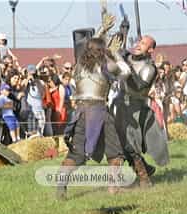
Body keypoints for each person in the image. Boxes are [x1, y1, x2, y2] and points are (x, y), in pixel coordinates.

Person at [57, 37, 127, 200]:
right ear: (102, 50)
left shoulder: (78, 66)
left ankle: (61, 187)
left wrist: (102, 32)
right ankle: (113, 187)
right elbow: (126, 73)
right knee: (115, 152)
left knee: (77, 154)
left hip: (81, 112)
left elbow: (88, 49)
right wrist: (116, 54)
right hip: (100, 111)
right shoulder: (107, 65)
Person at [110, 35, 170, 187]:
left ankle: (143, 179)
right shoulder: (128, 57)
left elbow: (138, 86)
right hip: (119, 105)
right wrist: (120, 34)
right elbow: (116, 53)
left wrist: (125, 65)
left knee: (130, 145)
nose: (138, 45)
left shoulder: (150, 68)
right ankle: (143, 172)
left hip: (136, 109)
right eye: (139, 42)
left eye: (143, 44)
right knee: (117, 143)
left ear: (150, 50)